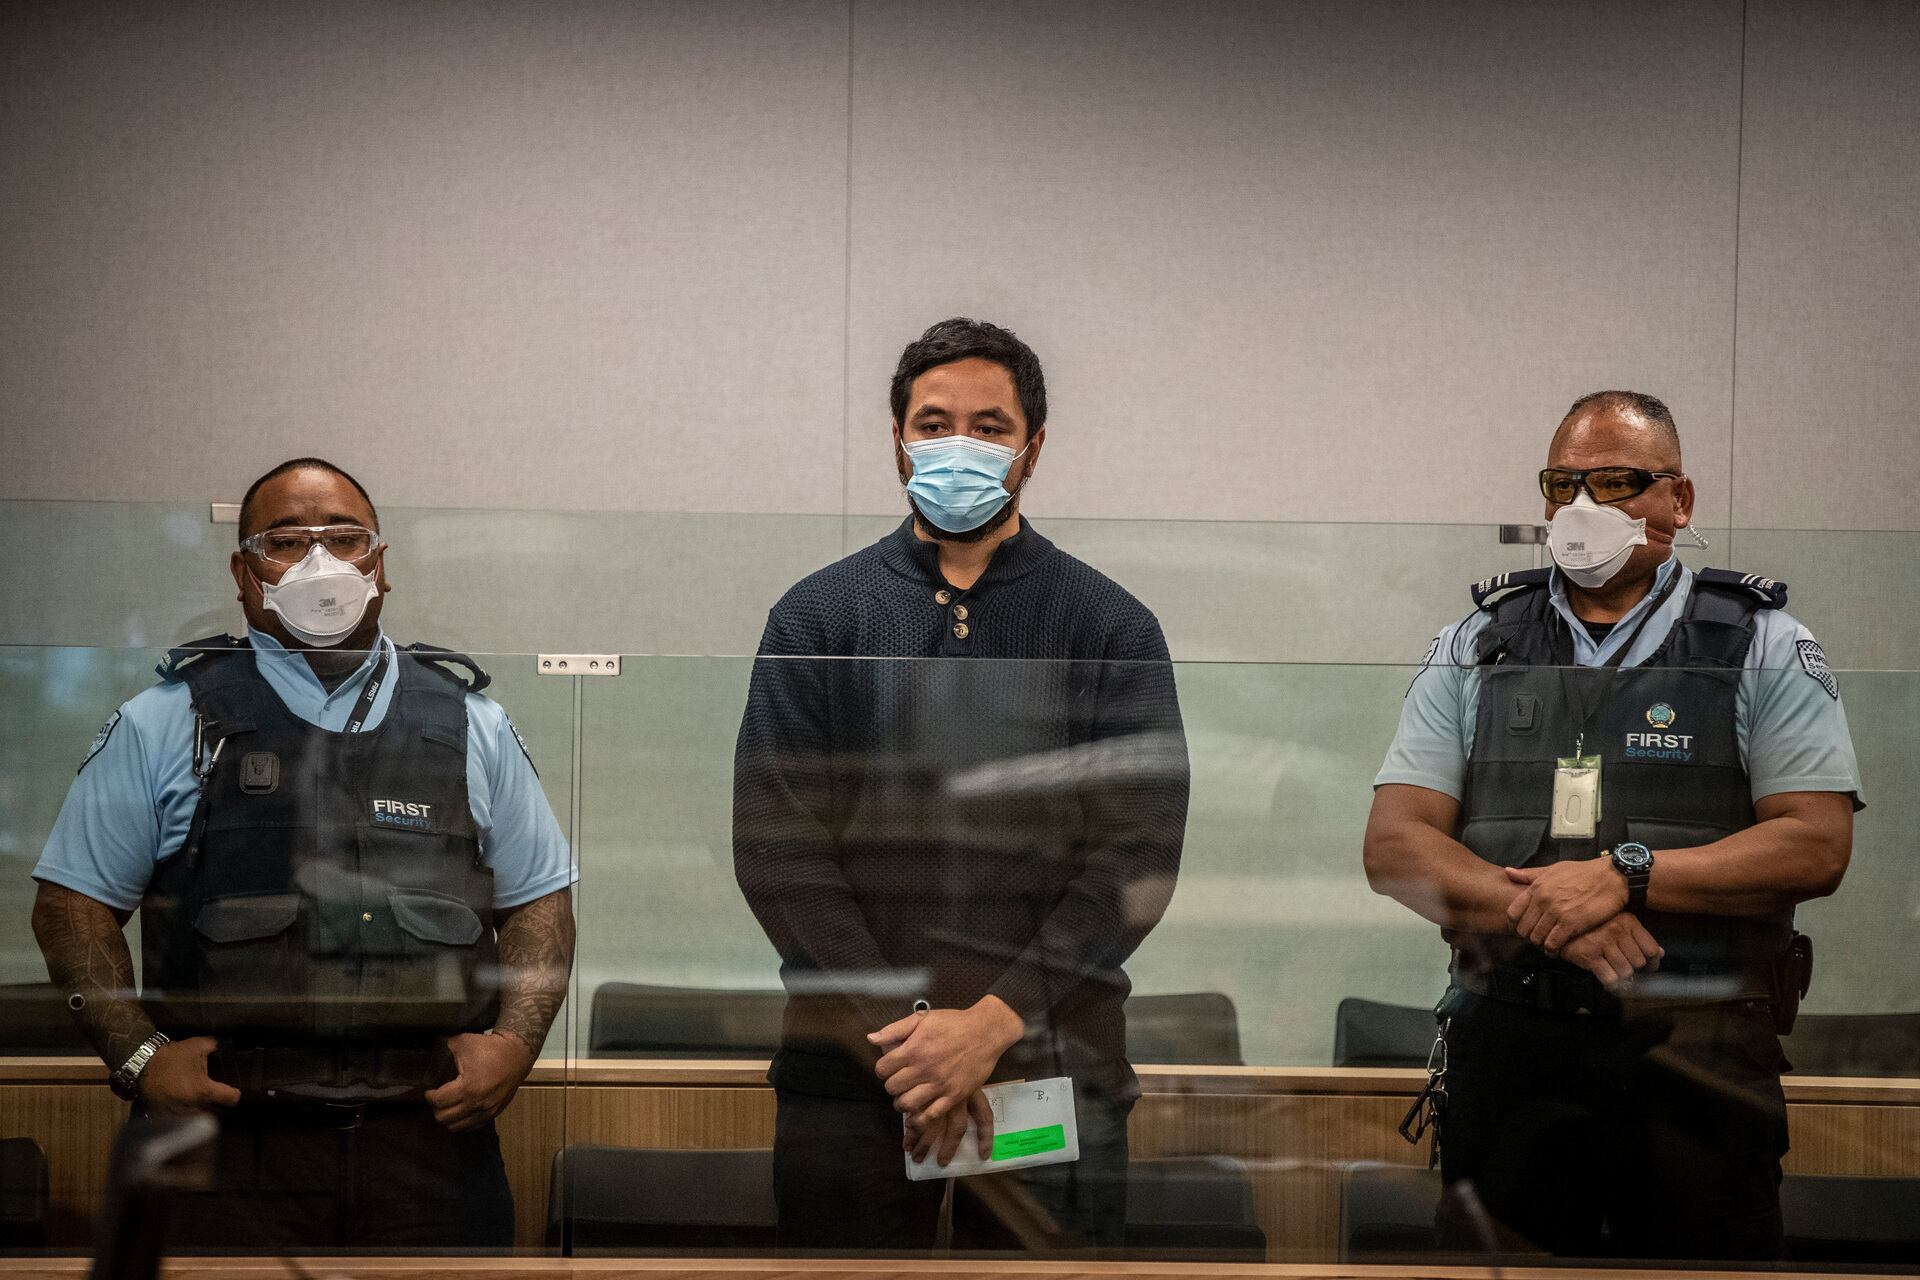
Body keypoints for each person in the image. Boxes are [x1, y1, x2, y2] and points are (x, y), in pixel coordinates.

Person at [1363, 391, 1861, 1261]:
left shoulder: (1762, 641)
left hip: (1695, 1052)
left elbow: (1815, 844)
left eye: (1618, 482)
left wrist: (1625, 874)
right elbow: (1395, 844)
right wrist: (1551, 909)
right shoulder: (1475, 643)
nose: (1584, 508)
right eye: (1564, 485)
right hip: (1512, 1045)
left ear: (1680, 501)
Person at [31, 457, 575, 1250]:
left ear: (380, 566)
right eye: (285, 541)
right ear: (245, 574)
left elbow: (540, 901)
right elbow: (70, 907)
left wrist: (516, 1045)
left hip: (429, 1146)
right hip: (228, 1144)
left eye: (346, 538)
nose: (321, 563)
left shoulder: (470, 723)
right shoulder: (166, 722)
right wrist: (142, 1059)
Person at [733, 318, 1190, 1253]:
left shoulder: (1111, 626)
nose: (959, 445)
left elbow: (1135, 856)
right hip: (856, 1076)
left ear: (1032, 448)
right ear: (896, 439)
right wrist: (913, 1044)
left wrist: (989, 1023)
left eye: (989, 426)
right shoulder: (819, 615)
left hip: (1046, 1064)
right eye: (933, 423)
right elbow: (779, 850)